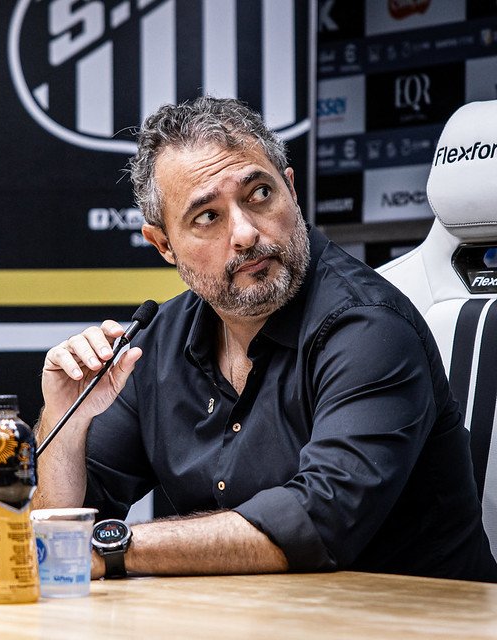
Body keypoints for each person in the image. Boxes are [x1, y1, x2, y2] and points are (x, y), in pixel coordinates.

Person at [33, 96, 497, 582]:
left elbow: (319, 521)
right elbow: (60, 531)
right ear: (163, 244)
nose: (246, 233)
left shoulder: (368, 327)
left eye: (258, 194)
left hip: (416, 625)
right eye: (207, 217)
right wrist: (66, 419)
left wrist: (113, 548)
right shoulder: (157, 344)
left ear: (290, 192)